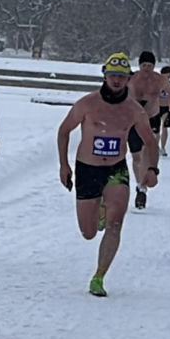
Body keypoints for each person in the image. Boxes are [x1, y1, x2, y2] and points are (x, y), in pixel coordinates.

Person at [57, 52, 159, 297]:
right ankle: (99, 209)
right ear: (104, 75)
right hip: (87, 169)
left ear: (128, 79)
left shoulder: (134, 110)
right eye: (112, 75)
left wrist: (152, 169)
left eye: (122, 77)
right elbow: (64, 131)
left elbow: (150, 142)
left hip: (116, 169)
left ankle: (99, 277)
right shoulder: (88, 103)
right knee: (88, 232)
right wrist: (64, 165)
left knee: (115, 224)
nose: (116, 81)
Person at [128, 51, 166, 209]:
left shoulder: (159, 80)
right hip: (134, 119)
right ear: (139, 65)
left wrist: (168, 112)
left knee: (146, 152)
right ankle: (139, 184)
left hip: (151, 118)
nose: (146, 69)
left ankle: (143, 189)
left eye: (150, 66)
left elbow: (169, 94)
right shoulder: (132, 79)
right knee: (136, 156)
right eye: (144, 65)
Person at [158, 65, 170, 157]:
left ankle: (162, 147)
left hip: (166, 108)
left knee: (164, 127)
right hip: (156, 107)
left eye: (169, 75)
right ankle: (155, 147)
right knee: (156, 129)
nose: (167, 77)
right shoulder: (156, 83)